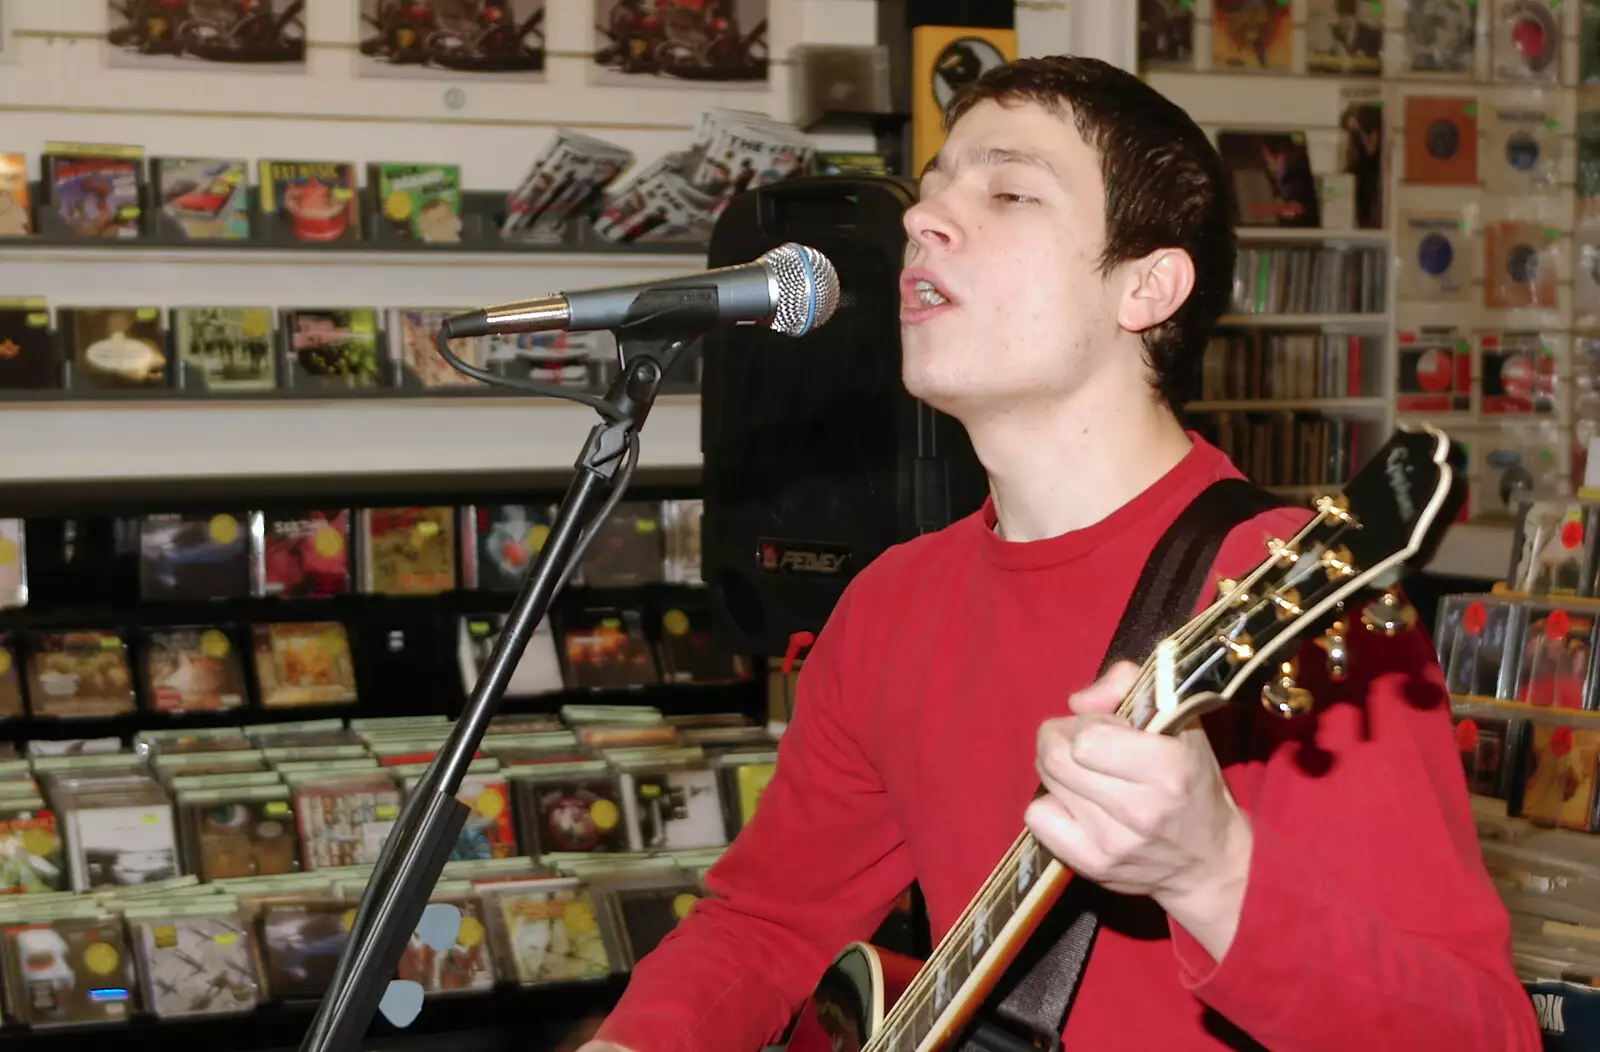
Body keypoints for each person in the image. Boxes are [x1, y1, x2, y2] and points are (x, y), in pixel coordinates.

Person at [579, 55, 1542, 1052]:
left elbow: (1479, 1033)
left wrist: (1212, 871)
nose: (919, 219)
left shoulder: (1300, 591)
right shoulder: (891, 604)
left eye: (1006, 190)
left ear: (1147, 285)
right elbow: (765, 920)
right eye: (932, 189)